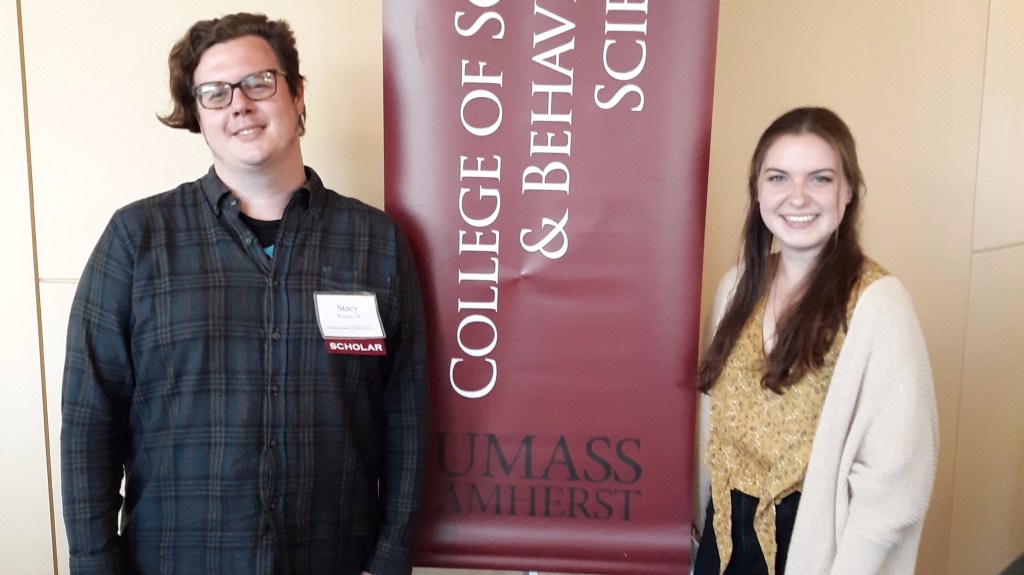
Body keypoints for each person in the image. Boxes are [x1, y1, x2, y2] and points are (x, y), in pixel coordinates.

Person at [61, 13, 428, 575]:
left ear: (298, 94)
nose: (239, 103)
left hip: (333, 558)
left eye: (260, 81)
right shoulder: (136, 241)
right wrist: (93, 563)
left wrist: (392, 557)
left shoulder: (375, 244)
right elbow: (90, 421)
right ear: (198, 116)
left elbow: (407, 417)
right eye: (214, 93)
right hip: (173, 560)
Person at [692, 107, 938, 575]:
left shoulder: (877, 305)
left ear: (849, 193)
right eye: (779, 177)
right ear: (757, 190)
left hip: (814, 550)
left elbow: (895, 484)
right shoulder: (737, 289)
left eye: (820, 179)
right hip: (722, 541)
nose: (797, 197)